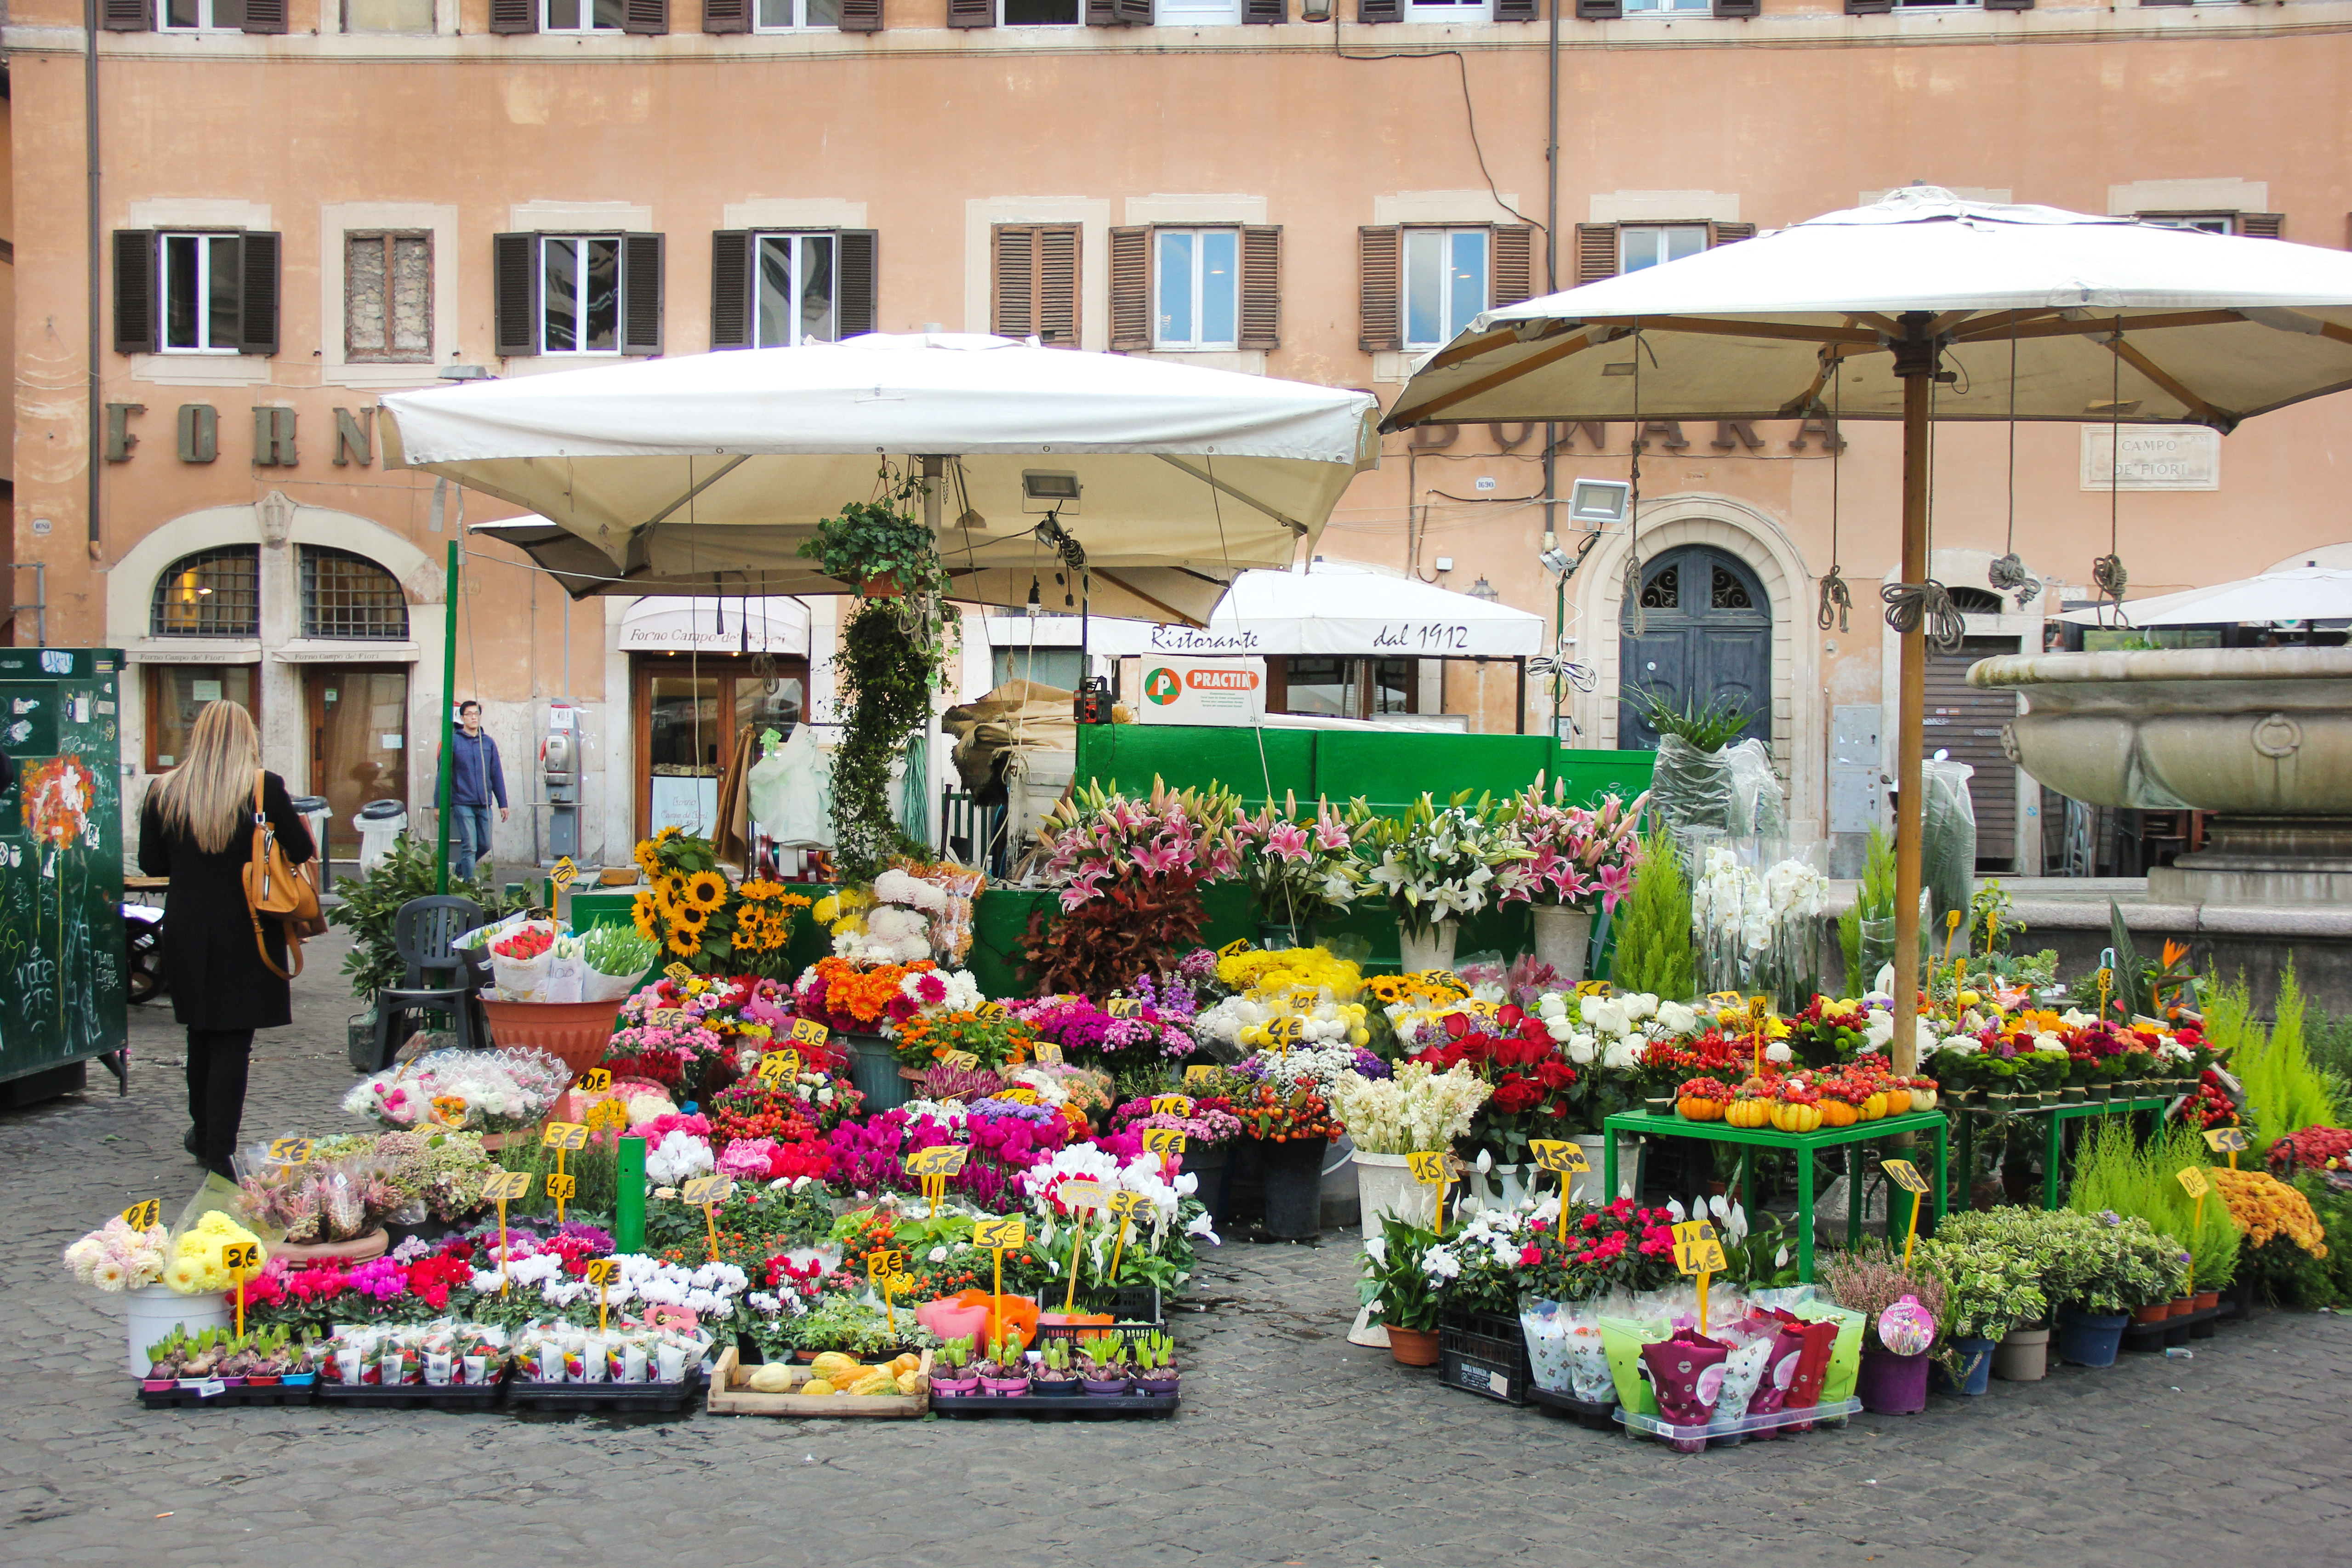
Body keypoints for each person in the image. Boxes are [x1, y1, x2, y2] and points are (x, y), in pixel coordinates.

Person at [137, 701, 316, 1179]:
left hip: (187, 924)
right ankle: (221, 1149)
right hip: (247, 926)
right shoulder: (263, 788)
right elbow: (303, 851)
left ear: (197, 736)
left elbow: (152, 863)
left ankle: (202, 1132)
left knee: (201, 1032)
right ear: (248, 737)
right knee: (234, 1040)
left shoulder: (165, 789)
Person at [448, 699, 508, 880]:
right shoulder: (454, 742)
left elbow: (496, 774)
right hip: (462, 802)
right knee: (470, 846)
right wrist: (439, 804)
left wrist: (503, 803)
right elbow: (443, 775)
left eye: (476, 714)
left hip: (484, 803)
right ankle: (469, 885)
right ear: (462, 718)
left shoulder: (488, 743)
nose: (474, 718)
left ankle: (460, 870)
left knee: (485, 844)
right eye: (469, 714)